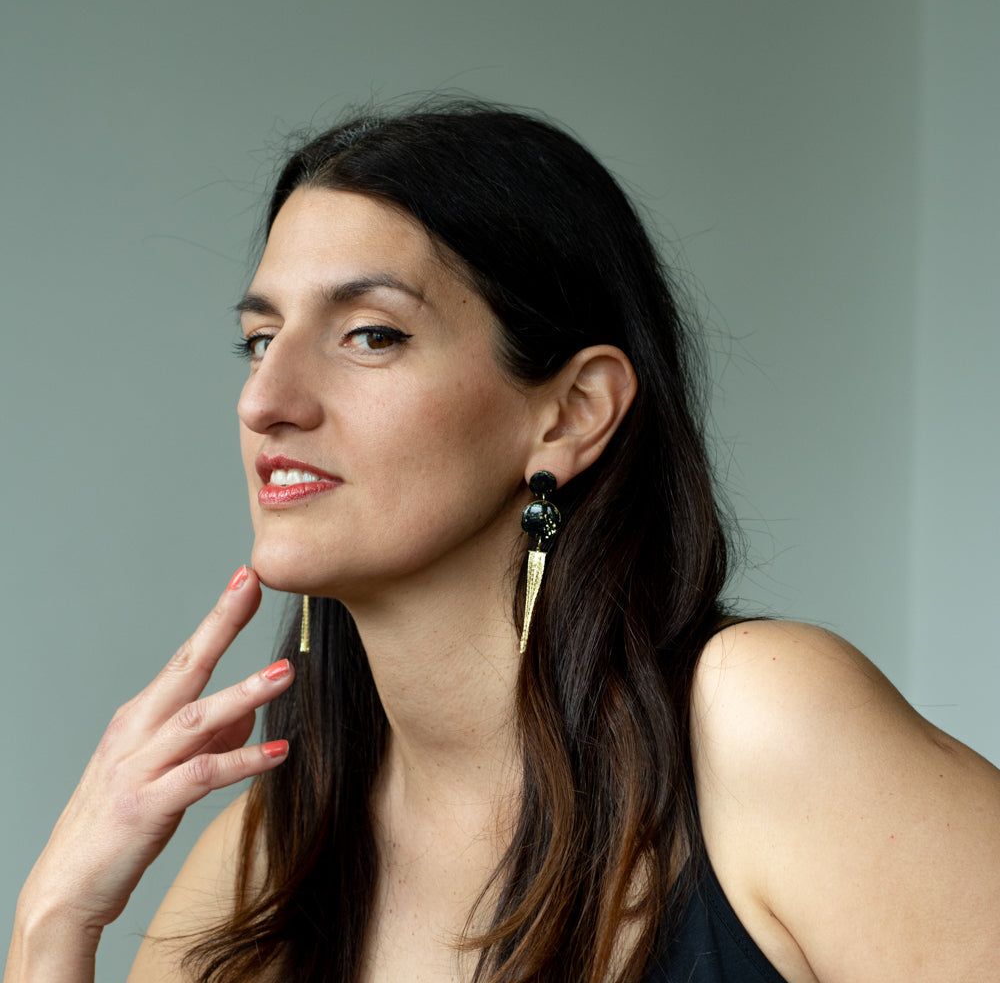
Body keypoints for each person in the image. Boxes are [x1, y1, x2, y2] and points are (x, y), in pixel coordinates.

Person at [6, 99, 1000, 983]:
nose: (267, 401)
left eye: (370, 334)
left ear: (570, 412)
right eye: (260, 339)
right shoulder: (263, 860)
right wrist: (58, 918)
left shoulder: (759, 726)